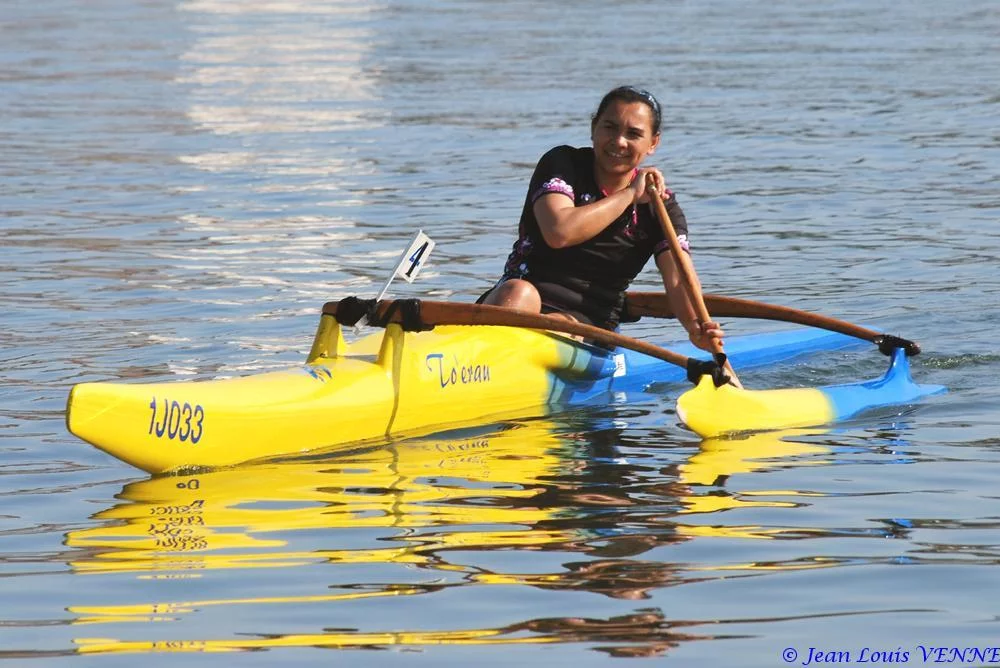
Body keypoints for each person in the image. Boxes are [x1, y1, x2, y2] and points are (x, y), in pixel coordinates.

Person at [479, 86, 723, 353]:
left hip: (587, 321)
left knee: (553, 327)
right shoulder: (563, 163)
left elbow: (678, 281)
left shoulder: (660, 208)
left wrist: (696, 327)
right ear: (593, 128)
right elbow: (559, 232)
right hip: (513, 301)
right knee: (519, 294)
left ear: (653, 143)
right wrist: (630, 194)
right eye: (610, 127)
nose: (619, 141)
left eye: (633, 134)